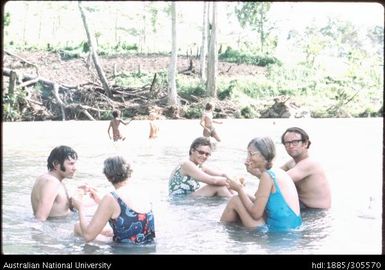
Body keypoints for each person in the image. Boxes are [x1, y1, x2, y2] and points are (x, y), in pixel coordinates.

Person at [220, 136, 302, 232]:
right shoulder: (276, 172)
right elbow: (267, 200)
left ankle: (221, 231)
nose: (248, 159)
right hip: (293, 227)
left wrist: (239, 189)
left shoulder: (267, 176)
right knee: (244, 197)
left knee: (235, 200)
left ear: (264, 155)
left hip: (279, 231)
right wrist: (255, 174)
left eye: (251, 154)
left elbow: (256, 213)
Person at [72, 156, 155, 244]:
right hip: (146, 245)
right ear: (129, 172)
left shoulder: (111, 198)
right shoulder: (142, 191)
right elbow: (129, 214)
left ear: (108, 177)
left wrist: (80, 207)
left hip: (123, 249)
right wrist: (99, 201)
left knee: (78, 227)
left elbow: (88, 236)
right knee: (107, 231)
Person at [280, 127, 331, 209]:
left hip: (316, 214)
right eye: (287, 143)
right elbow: (272, 173)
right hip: (304, 208)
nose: (290, 146)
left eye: (295, 142)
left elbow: (278, 180)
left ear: (305, 143)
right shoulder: (292, 163)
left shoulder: (310, 164)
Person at [31, 145, 86, 221]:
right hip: (56, 228)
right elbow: (40, 218)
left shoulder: (53, 179)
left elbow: (60, 205)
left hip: (60, 224)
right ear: (56, 164)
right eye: (71, 164)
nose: (75, 168)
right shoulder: (51, 182)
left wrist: (79, 192)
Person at [168, 137, 233, 197]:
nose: (204, 156)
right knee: (219, 187)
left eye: (207, 154)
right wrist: (233, 183)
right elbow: (213, 181)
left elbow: (222, 174)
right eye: (201, 152)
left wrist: (235, 182)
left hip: (188, 199)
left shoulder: (199, 166)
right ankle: (235, 205)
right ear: (192, 150)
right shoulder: (186, 164)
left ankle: (236, 202)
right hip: (179, 201)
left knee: (225, 187)